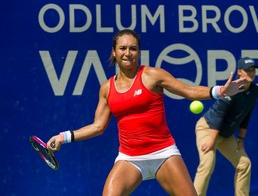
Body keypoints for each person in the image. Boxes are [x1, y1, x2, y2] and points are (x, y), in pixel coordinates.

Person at [47, 29, 247, 196]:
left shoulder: (152, 75)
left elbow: (188, 91)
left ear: (139, 52)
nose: (128, 53)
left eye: (133, 48)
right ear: (114, 53)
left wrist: (219, 91)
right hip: (129, 158)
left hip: (163, 154)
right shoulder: (107, 88)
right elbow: (98, 127)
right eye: (123, 48)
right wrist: (64, 137)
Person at [193, 57, 258, 196]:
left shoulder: (254, 91)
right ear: (239, 72)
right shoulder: (233, 88)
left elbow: (246, 115)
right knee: (207, 165)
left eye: (253, 70)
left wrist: (241, 139)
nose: (251, 73)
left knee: (244, 164)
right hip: (208, 129)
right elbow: (219, 113)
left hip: (225, 135)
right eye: (248, 70)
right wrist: (212, 139)